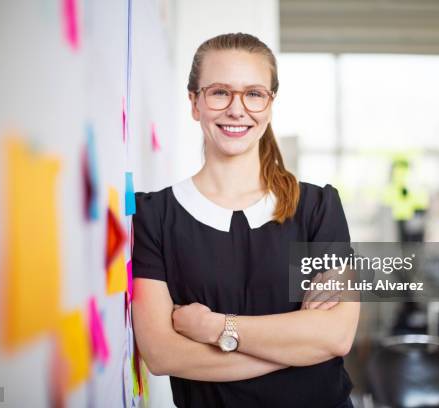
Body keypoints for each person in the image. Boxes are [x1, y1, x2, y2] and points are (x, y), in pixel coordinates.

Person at [132, 33, 360, 408]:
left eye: (254, 94)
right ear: (194, 102)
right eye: (220, 92)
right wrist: (295, 347)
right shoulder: (154, 216)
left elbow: (334, 337)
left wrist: (216, 328)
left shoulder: (319, 207)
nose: (238, 110)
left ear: (270, 104)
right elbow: (162, 355)